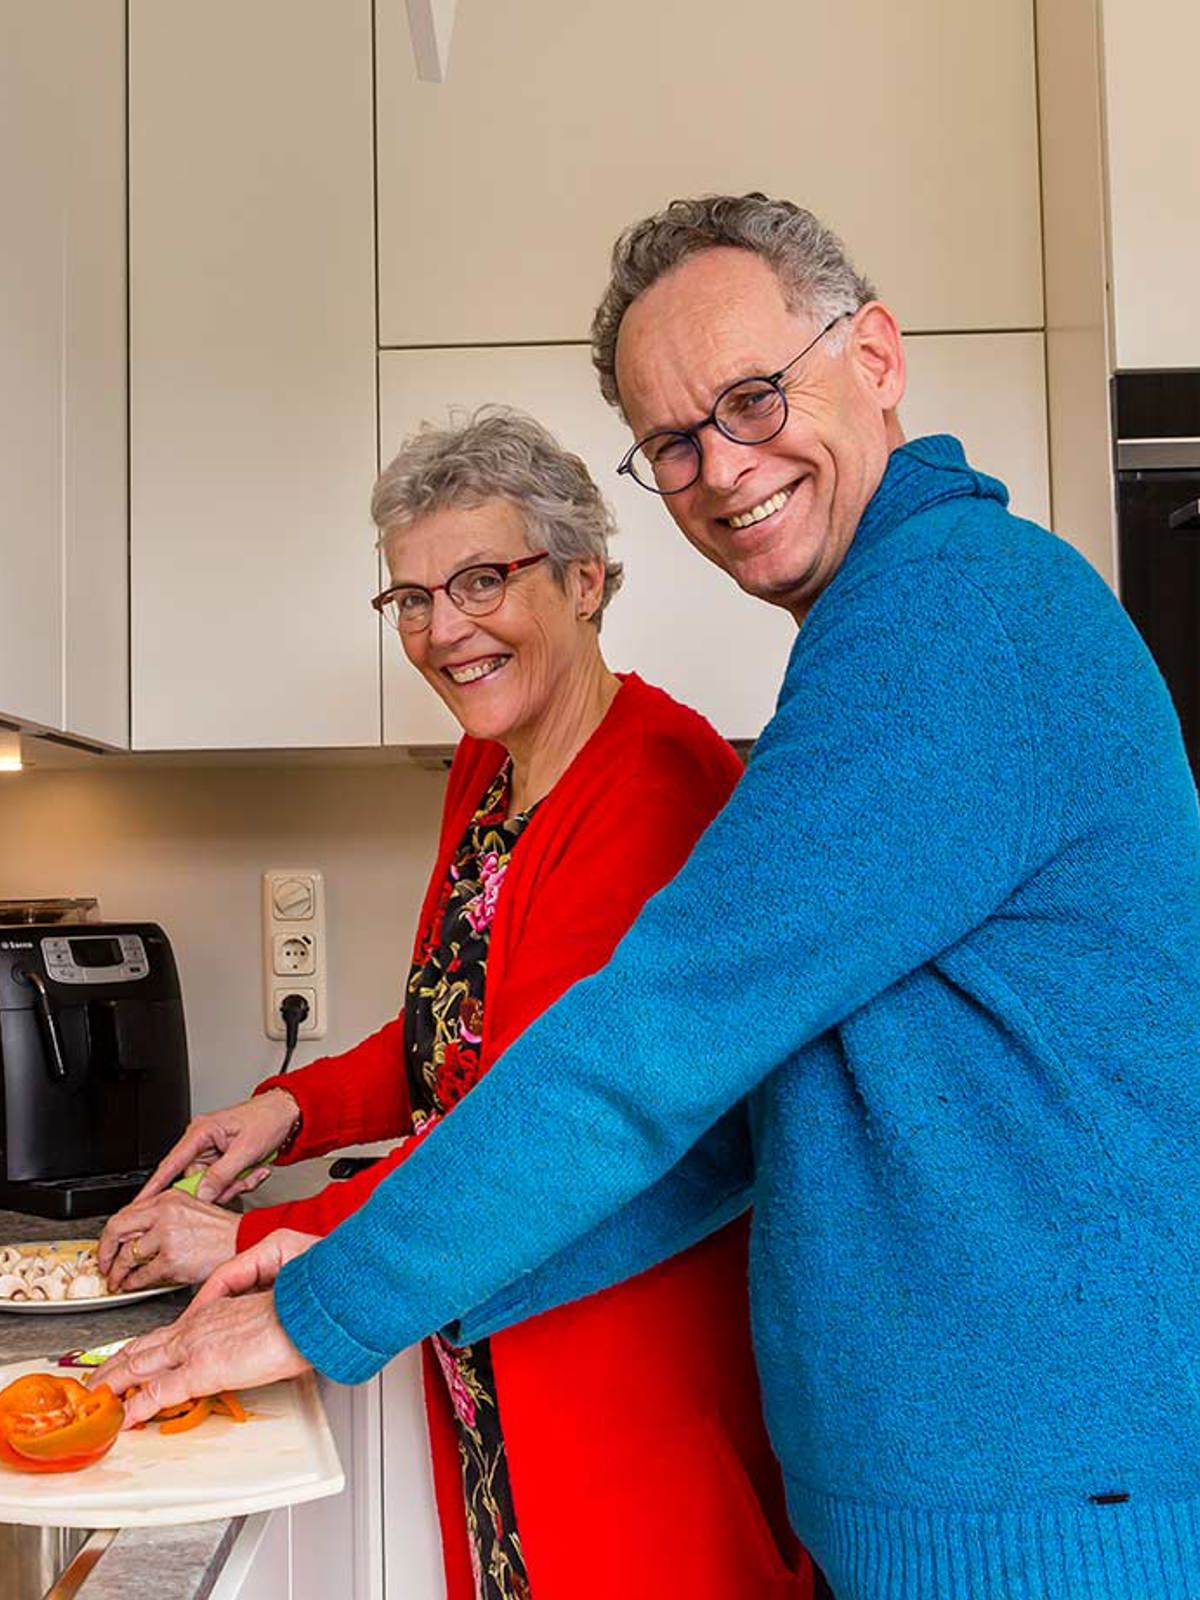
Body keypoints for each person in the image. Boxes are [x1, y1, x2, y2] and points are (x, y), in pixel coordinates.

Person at [100, 195, 1200, 1600]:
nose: (722, 469)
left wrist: (329, 1288)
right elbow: (729, 1123)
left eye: (753, 398)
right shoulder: (896, 627)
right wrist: (342, 1270)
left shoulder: (949, 621)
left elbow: (644, 1052)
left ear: (874, 356)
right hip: (970, 1500)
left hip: (1043, 1518)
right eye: (674, 440)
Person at [98, 406, 810, 1600]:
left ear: (586, 580)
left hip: (620, 1360)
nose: (442, 630)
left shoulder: (657, 781)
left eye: (482, 580)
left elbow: (540, 1131)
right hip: (492, 1334)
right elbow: (451, 1040)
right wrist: (283, 1110)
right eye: (413, 597)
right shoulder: (493, 768)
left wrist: (271, 1240)